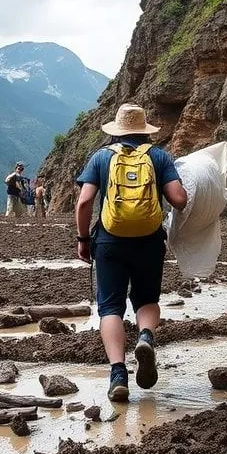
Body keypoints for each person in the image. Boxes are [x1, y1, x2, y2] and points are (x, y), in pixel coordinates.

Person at [75, 103, 188, 402]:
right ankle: (146, 337)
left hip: (110, 243)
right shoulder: (159, 156)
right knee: (147, 299)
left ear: (117, 131)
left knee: (110, 307)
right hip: (149, 242)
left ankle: (118, 375)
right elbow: (178, 199)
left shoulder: (101, 157)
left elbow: (85, 202)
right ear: (144, 131)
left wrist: (83, 240)